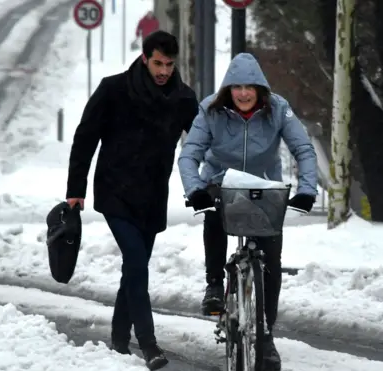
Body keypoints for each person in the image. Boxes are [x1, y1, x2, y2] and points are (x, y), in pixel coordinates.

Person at [65, 31, 198, 370]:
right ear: (144, 58)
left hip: (153, 195)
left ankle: (119, 339)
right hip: (115, 190)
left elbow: (200, 140)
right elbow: (85, 136)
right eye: (158, 63)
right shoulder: (114, 89)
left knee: (134, 269)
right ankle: (148, 344)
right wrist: (75, 189)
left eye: (169, 64)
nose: (164, 70)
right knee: (137, 263)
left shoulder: (183, 98)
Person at [177, 52, 318, 371]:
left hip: (263, 187)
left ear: (260, 89)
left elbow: (304, 150)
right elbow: (189, 155)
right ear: (228, 88)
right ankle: (214, 283)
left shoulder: (279, 109)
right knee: (213, 212)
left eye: (249, 87)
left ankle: (266, 336)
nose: (243, 93)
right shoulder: (210, 109)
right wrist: (195, 188)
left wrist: (307, 190)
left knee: (271, 259)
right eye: (236, 86)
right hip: (220, 182)